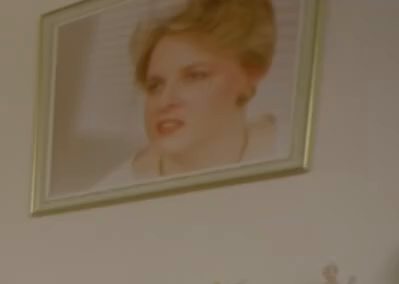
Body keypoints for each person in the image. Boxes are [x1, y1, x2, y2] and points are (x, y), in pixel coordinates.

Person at [94, 0, 280, 191]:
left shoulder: (284, 153)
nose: (165, 101)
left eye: (195, 76)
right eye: (155, 86)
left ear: (251, 75)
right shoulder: (112, 189)